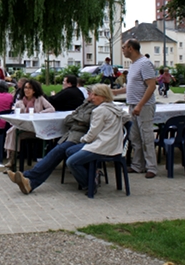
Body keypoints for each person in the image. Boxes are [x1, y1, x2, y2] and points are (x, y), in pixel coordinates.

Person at [7, 86, 99, 194]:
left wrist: (76, 119)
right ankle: (29, 183)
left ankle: (28, 177)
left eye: (92, 93)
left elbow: (85, 121)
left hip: (80, 137)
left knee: (57, 151)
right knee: (56, 152)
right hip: (71, 135)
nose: (88, 95)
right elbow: (68, 119)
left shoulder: (98, 108)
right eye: (90, 93)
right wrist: (77, 120)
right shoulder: (85, 104)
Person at [64, 84, 131, 193]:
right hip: (114, 144)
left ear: (103, 96)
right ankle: (94, 172)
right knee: (70, 151)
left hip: (103, 146)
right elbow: (128, 117)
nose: (92, 97)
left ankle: (89, 184)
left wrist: (83, 140)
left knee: (72, 162)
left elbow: (92, 133)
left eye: (95, 95)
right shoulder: (115, 107)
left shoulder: (99, 111)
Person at [112, 39, 158, 179]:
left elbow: (151, 86)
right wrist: (115, 92)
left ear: (131, 48)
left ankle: (151, 167)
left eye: (124, 47)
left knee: (146, 136)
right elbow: (132, 87)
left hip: (144, 106)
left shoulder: (145, 63)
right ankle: (138, 165)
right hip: (133, 104)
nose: (122, 50)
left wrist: (140, 105)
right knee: (135, 137)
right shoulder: (133, 65)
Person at [3, 79, 55, 165]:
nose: (27, 90)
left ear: (34, 90)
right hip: (24, 127)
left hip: (37, 128)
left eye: (29, 88)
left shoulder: (40, 99)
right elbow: (16, 115)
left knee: (12, 132)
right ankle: (12, 159)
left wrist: (39, 114)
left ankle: (12, 160)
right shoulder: (19, 102)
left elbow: (51, 109)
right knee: (12, 132)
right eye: (25, 87)